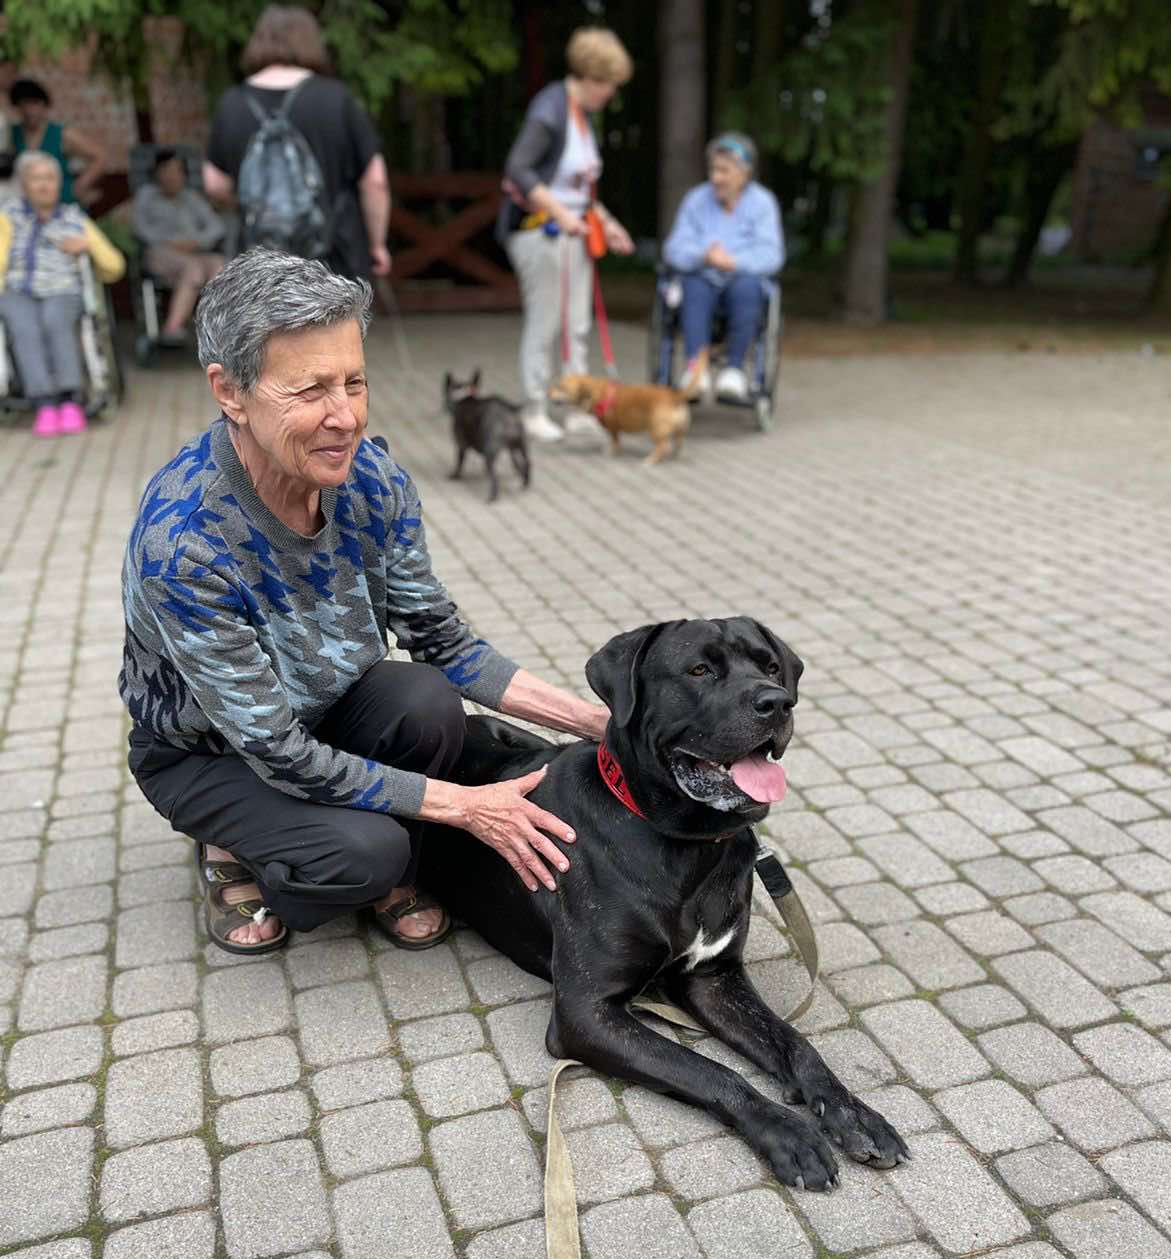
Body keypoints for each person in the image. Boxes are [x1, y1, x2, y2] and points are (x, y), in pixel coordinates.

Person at [119, 248, 609, 956]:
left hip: (322, 712)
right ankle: (232, 846)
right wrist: (468, 810)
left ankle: (359, 840)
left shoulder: (371, 480)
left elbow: (443, 641)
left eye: (354, 381)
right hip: (210, 752)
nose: (344, 417)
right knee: (365, 856)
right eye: (310, 390)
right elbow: (278, 750)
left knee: (427, 697)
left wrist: (599, 722)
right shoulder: (184, 542)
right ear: (230, 392)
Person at [498, 26, 635, 444]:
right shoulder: (550, 110)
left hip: (574, 236)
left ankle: (577, 407)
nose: (610, 95)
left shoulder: (582, 117)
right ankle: (534, 408)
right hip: (540, 234)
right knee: (546, 322)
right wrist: (562, 215)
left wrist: (606, 224)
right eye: (609, 86)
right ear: (591, 77)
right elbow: (517, 170)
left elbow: (580, 188)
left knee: (577, 324)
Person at [203, 5, 391, 282]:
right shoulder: (336, 99)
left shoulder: (232, 104)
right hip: (335, 256)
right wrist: (377, 245)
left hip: (261, 261)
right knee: (338, 324)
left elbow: (214, 184)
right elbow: (375, 181)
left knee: (267, 326)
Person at [0, 150, 124, 437]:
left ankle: (69, 399)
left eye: (50, 178)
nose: (44, 185)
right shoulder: (7, 217)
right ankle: (44, 403)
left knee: (55, 320)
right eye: (36, 179)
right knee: (24, 326)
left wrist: (87, 246)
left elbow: (115, 266)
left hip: (63, 291)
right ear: (24, 184)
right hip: (18, 292)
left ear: (59, 183)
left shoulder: (73, 219)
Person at [662, 132, 784, 403]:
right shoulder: (696, 200)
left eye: (724, 171)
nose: (716, 178)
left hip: (742, 279)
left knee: (748, 286)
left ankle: (734, 370)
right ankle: (697, 369)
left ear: (745, 173)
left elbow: (772, 254)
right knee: (693, 285)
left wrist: (734, 262)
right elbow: (673, 248)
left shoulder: (763, 203)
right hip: (702, 275)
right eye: (713, 170)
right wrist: (703, 255)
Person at [133, 147, 226, 345]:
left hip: (193, 252)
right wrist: (170, 242)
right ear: (157, 174)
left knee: (220, 265)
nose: (171, 177)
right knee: (194, 269)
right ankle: (172, 328)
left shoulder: (191, 198)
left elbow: (216, 226)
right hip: (160, 252)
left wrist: (197, 242)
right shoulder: (146, 197)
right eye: (166, 171)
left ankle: (220, 329)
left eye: (176, 171)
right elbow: (140, 228)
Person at [8, 79, 105, 208]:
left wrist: (80, 185)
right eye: (25, 104)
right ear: (18, 107)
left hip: (62, 202)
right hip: (26, 204)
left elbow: (100, 156)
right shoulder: (12, 133)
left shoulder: (62, 133)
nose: (30, 111)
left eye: (35, 104)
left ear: (44, 105)